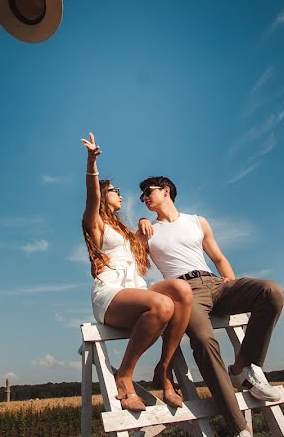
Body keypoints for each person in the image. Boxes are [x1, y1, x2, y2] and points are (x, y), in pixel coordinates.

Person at [138, 176, 284, 437]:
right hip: (184, 292)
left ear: (166, 190)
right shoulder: (148, 231)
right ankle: (239, 428)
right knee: (204, 342)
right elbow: (132, 259)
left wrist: (232, 284)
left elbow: (217, 257)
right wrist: (140, 226)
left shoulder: (197, 221)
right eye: (141, 196)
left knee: (270, 292)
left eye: (148, 192)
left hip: (217, 284)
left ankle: (243, 370)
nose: (144, 198)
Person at [81, 134, 193, 411]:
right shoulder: (95, 223)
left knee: (181, 290)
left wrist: (143, 219)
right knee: (163, 303)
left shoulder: (126, 233)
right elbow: (92, 195)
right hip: (110, 295)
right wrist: (92, 163)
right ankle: (125, 375)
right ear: (105, 196)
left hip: (137, 292)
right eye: (114, 190)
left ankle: (164, 373)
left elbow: (143, 238)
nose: (119, 193)